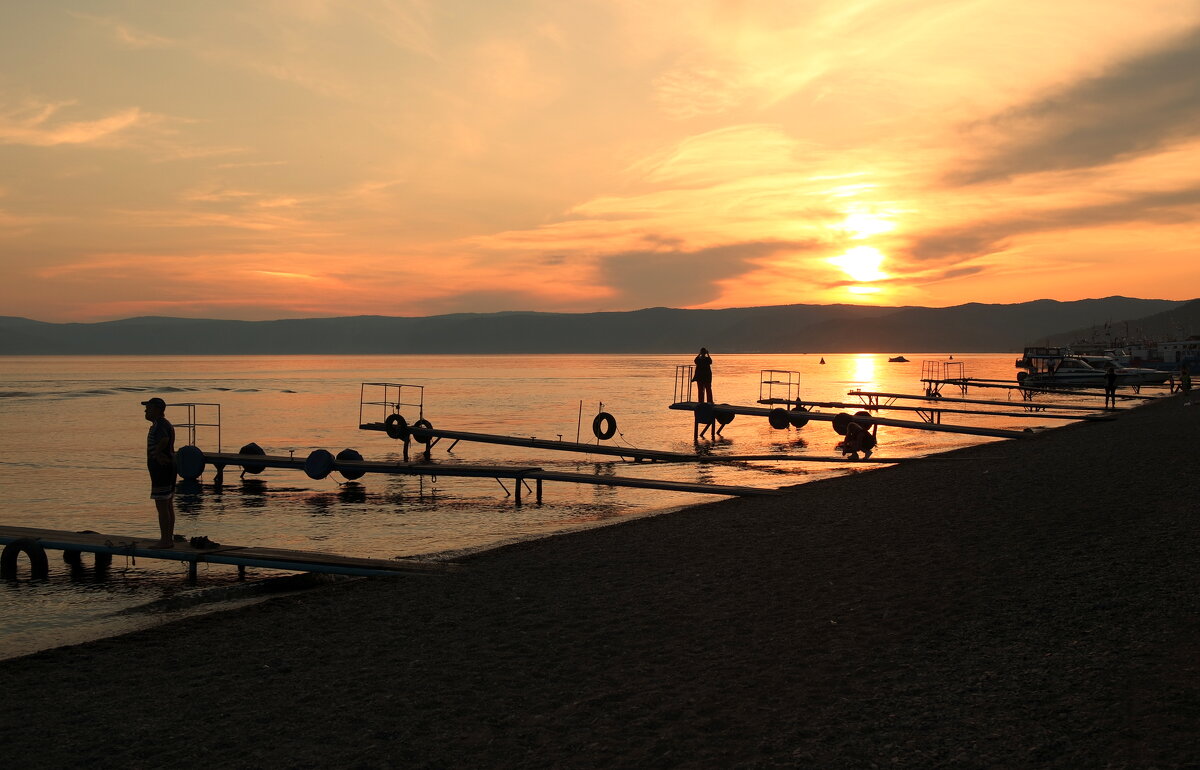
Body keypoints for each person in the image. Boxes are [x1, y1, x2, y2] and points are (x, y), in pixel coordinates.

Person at [143, 397, 177, 548]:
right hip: (168, 467)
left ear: (157, 410)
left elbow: (163, 439)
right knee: (168, 503)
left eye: (148, 408)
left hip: (161, 468)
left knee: (162, 504)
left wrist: (156, 454)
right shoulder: (163, 424)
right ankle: (168, 539)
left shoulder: (160, 424)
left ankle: (165, 540)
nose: (145, 410)